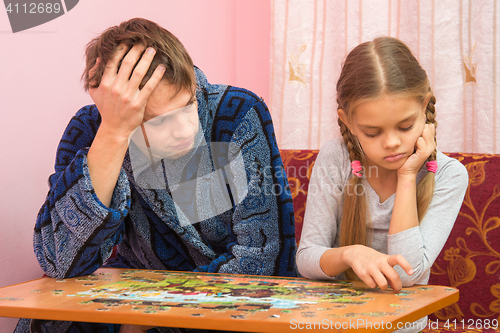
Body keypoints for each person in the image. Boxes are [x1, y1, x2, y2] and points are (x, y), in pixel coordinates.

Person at [15, 18, 296, 333]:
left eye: (188, 104)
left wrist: (153, 319)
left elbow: (265, 259)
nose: (184, 130)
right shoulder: (92, 131)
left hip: (220, 295)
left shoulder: (238, 112)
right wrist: (112, 135)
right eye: (159, 122)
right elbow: (60, 264)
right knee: (46, 320)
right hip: (135, 290)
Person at [296, 37, 468, 332]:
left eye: (405, 126)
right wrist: (350, 253)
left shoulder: (449, 175)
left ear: (424, 107)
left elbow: (407, 272)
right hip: (332, 323)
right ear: (348, 122)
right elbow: (306, 259)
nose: (391, 143)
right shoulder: (336, 157)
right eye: (372, 132)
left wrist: (407, 175)